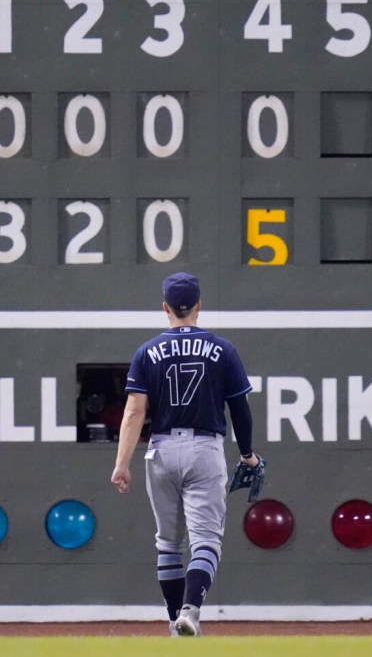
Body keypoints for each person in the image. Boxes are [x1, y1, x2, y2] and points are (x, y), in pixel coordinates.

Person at [110, 272, 260, 637]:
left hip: (160, 449)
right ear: (198, 306)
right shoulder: (222, 349)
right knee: (205, 540)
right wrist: (248, 455)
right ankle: (190, 611)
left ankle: (175, 625)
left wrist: (121, 463)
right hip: (203, 447)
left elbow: (133, 411)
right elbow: (240, 409)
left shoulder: (147, 351)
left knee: (168, 544)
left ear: (165, 308)